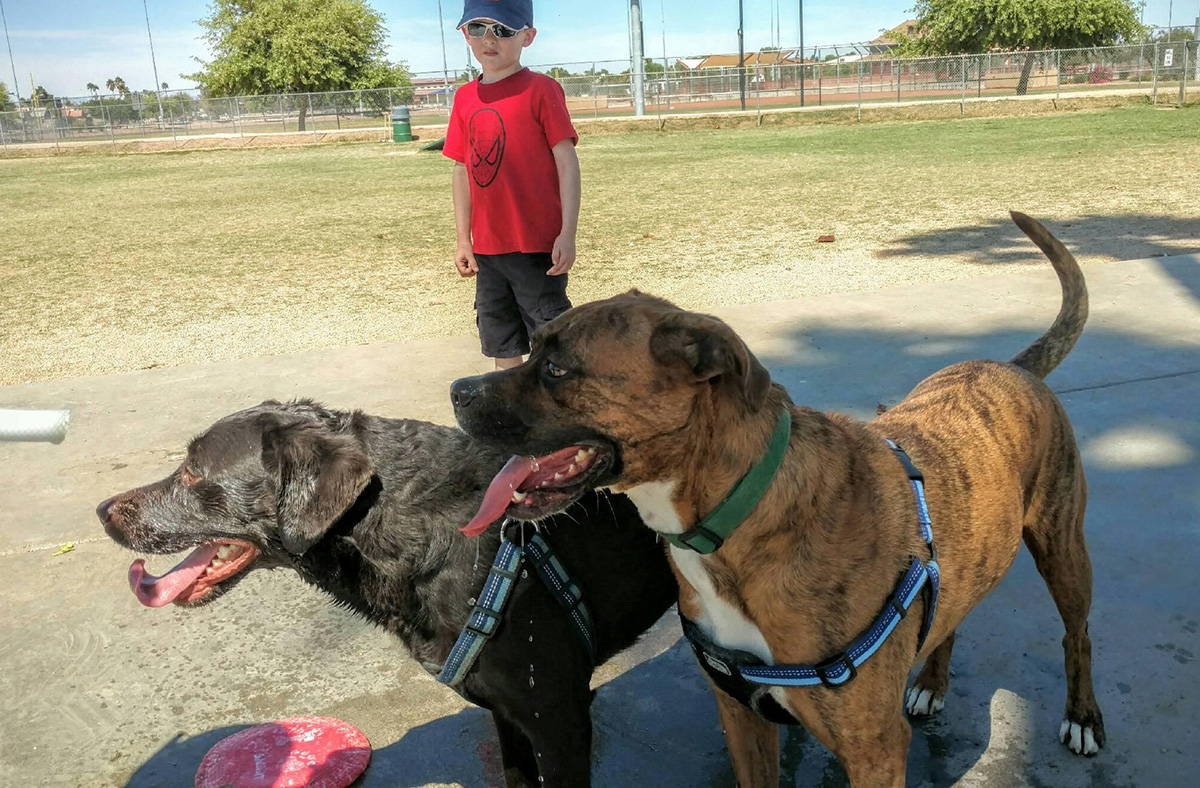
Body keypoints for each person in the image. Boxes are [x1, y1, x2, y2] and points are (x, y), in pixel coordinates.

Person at [444, 0, 581, 370]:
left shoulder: (541, 90)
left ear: (528, 37)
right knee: (501, 342)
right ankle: (512, 421)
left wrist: (567, 233)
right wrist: (463, 239)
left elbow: (567, 163)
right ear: (465, 34)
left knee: (553, 344)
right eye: (477, 28)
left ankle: (563, 419)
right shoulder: (464, 98)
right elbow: (462, 171)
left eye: (503, 30)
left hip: (537, 248)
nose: (489, 39)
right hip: (488, 251)